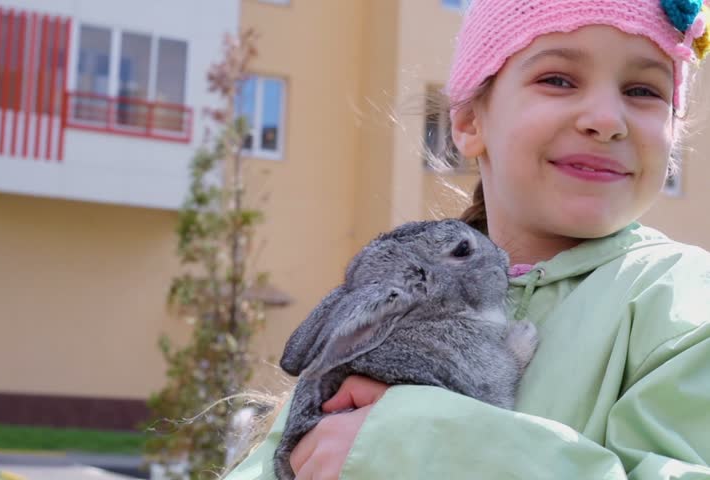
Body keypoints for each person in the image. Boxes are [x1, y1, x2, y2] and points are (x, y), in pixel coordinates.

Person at [226, 0, 710, 478]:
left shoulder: (682, 302)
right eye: (558, 80)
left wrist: (417, 439)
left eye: (644, 90)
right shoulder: (406, 290)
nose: (606, 119)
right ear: (469, 122)